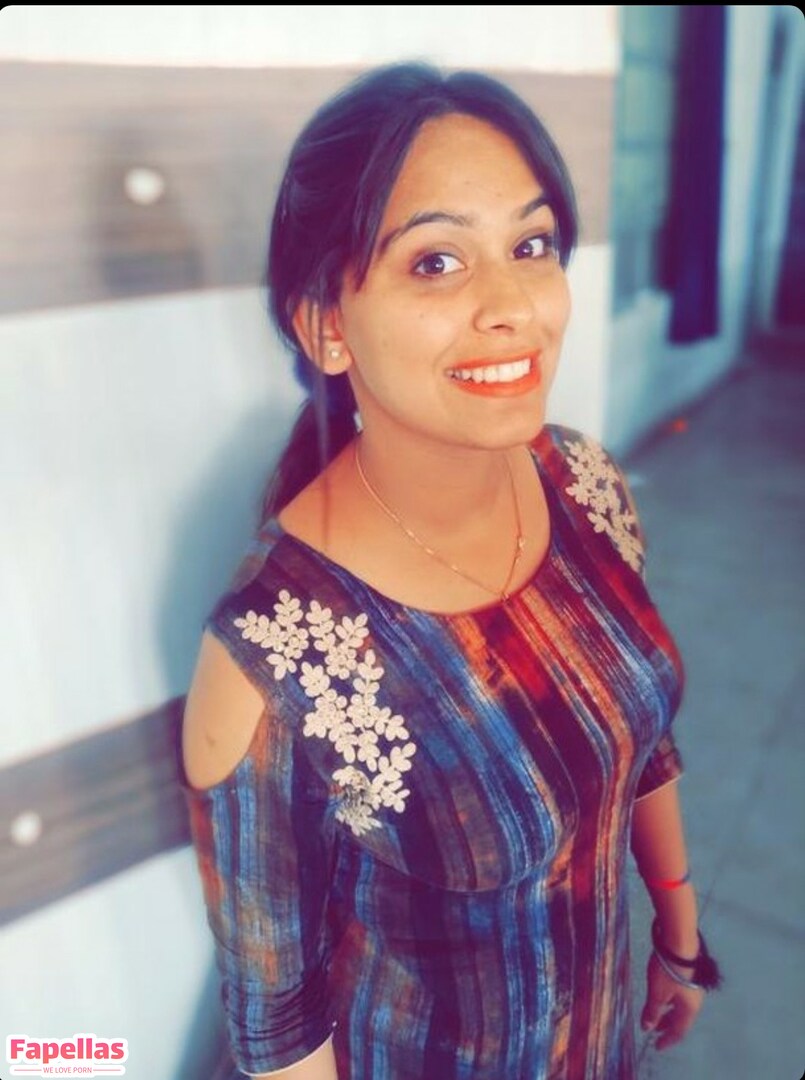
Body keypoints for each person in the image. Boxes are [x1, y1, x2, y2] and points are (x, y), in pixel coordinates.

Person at [180, 62, 720, 1080]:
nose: (513, 305)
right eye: (435, 262)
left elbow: (636, 732)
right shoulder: (274, 655)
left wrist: (679, 932)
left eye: (530, 246)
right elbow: (278, 1030)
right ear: (325, 325)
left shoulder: (584, 483)